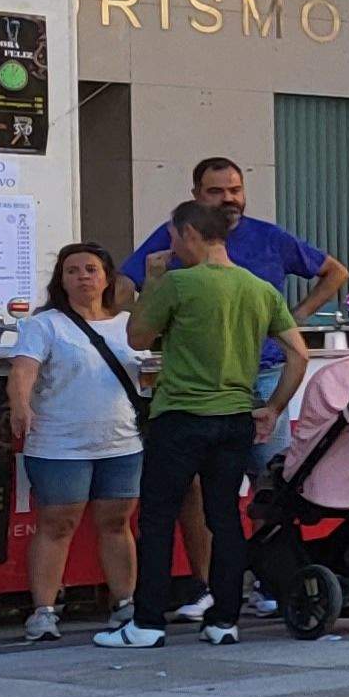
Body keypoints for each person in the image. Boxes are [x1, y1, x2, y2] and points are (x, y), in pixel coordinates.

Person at [122, 157, 344, 620]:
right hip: (207, 388)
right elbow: (125, 284)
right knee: (209, 501)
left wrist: (295, 317)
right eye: (217, 191)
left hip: (254, 379)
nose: (229, 199)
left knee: (270, 489)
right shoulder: (174, 238)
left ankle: (270, 581)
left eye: (236, 189)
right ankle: (211, 594)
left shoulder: (269, 237)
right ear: (196, 196)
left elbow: (335, 272)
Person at [98, 203, 307, 649]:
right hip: (235, 416)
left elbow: (137, 336)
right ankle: (225, 619)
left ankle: (148, 623)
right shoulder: (258, 288)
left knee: (157, 518)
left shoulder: (177, 283)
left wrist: (152, 281)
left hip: (180, 416)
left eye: (173, 238)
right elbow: (299, 354)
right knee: (225, 517)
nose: (171, 248)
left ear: (190, 233)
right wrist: (272, 406)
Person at [8, 244, 142, 643]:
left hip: (121, 442)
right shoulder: (45, 325)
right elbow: (23, 370)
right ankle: (44, 610)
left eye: (91, 269)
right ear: (60, 280)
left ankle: (125, 604)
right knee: (57, 524)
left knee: (116, 523)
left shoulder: (129, 324)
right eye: (72, 270)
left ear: (108, 277)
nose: (83, 276)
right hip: (59, 444)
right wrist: (21, 406)